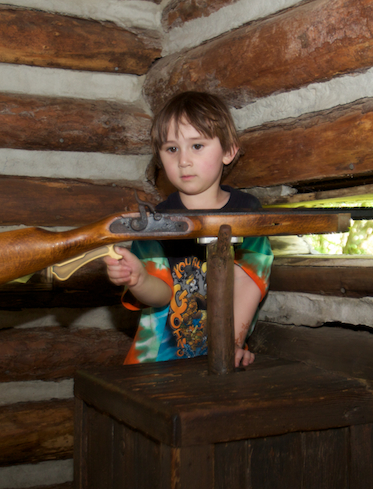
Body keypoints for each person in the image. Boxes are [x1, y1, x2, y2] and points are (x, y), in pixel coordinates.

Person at [105, 91, 273, 368]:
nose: (183, 160)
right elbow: (162, 295)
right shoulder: (155, 222)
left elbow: (249, 280)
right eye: (172, 149)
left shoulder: (247, 210)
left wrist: (232, 345)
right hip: (158, 363)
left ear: (229, 151)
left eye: (197, 146)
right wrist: (138, 280)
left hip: (226, 356)